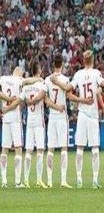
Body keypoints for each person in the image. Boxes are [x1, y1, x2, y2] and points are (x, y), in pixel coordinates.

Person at [51, 50, 104, 188]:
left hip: (82, 114)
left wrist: (57, 81)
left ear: (84, 60)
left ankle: (79, 179)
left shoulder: (78, 74)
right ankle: (95, 180)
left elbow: (68, 91)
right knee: (95, 148)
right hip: (93, 114)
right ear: (93, 60)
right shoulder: (96, 74)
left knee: (80, 148)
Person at [45, 53, 93, 188]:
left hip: (52, 116)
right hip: (62, 117)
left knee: (50, 149)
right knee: (64, 149)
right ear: (62, 64)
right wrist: (83, 101)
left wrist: (54, 107)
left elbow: (45, 98)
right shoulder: (66, 80)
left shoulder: (47, 79)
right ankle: (63, 180)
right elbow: (70, 96)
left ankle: (49, 181)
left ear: (53, 63)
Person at [21, 60, 64, 188]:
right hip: (39, 122)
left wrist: (28, 102)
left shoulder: (26, 87)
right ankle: (39, 180)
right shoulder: (42, 84)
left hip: (29, 122)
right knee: (40, 150)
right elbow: (44, 99)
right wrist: (57, 107)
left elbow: (21, 101)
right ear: (38, 70)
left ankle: (26, 180)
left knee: (28, 151)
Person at [0, 67, 43, 188]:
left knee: (4, 149)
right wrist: (39, 78)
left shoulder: (3, 79)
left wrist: (6, 99)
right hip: (15, 118)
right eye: (22, 74)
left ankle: (4, 181)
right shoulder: (19, 80)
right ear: (19, 73)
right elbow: (29, 81)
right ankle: (18, 182)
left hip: (5, 117)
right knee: (18, 148)